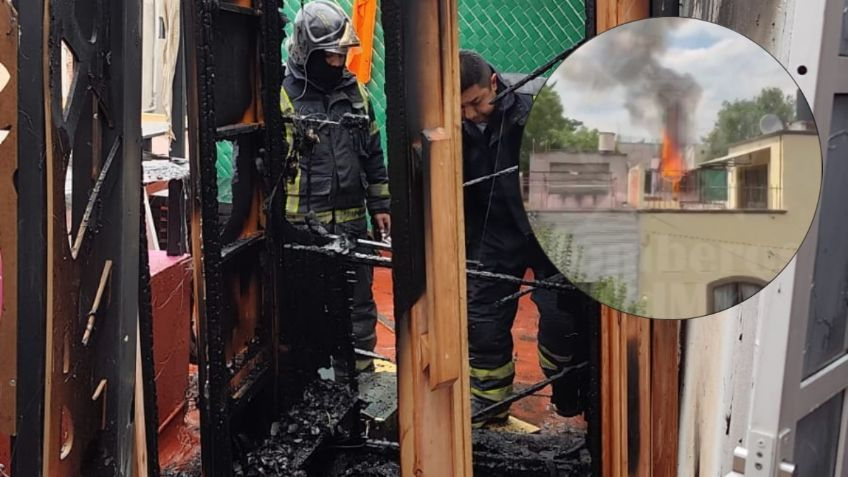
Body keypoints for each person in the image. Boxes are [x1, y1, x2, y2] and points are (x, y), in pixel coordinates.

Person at [459, 49, 584, 428]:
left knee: (564, 323)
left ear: (493, 83)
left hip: (549, 232)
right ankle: (485, 413)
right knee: (481, 324)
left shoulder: (539, 107)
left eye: (477, 102)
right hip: (492, 232)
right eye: (460, 107)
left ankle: (568, 392)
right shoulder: (446, 121)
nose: (470, 115)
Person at [282, 0, 390, 375]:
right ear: (306, 51)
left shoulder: (356, 94)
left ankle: (358, 377)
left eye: (342, 54)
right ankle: (310, 382)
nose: (338, 63)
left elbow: (373, 153)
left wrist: (380, 206)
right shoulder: (281, 96)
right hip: (302, 227)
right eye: (330, 55)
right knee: (305, 309)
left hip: (351, 223)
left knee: (358, 306)